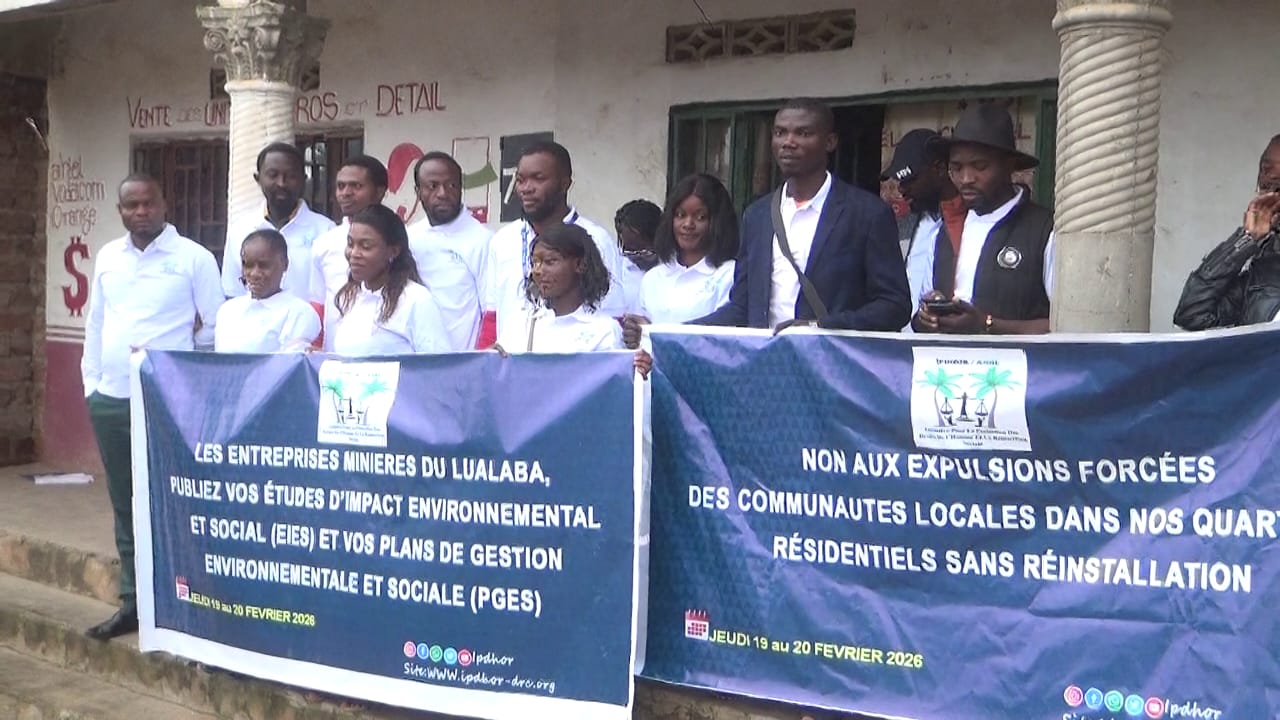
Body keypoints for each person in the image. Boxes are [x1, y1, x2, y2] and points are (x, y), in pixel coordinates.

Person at [81, 174, 224, 640]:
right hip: (111, 398)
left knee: (174, 501)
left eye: (148, 203)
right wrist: (91, 384)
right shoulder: (108, 256)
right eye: (131, 205)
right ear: (120, 210)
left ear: (165, 204)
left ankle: (183, 606)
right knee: (125, 503)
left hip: (167, 401)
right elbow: (96, 322)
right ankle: (134, 602)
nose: (140, 212)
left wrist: (177, 367)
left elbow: (215, 326)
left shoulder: (193, 258)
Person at [694, 98, 910, 332]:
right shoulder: (757, 216)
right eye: (780, 133)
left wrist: (819, 327)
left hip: (832, 354)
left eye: (803, 133)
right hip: (767, 354)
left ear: (830, 142)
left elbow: (894, 306)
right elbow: (742, 307)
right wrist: (675, 332)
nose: (788, 142)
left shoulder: (867, 213)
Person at [911, 103, 1055, 335]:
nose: (966, 178)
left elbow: (1066, 325)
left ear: (1009, 165)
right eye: (956, 168)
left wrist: (987, 325)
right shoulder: (942, 233)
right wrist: (926, 318)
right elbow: (921, 313)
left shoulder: (1044, 231)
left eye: (980, 166)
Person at [479, 141, 627, 347]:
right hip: (511, 359)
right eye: (520, 180)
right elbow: (492, 317)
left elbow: (614, 316)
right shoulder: (502, 240)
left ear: (565, 183)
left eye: (538, 179)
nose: (526, 189)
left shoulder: (596, 239)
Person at [494, 223, 653, 376]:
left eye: (550, 261)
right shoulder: (521, 325)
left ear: (580, 265)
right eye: (535, 262)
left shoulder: (603, 332)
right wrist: (491, 358)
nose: (538, 270)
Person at [1173, 135, 1280, 329]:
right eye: (1266, 170)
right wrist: (1246, 239)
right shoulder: (1261, 278)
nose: (1270, 178)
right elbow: (1192, 315)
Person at [622, 174, 739, 348]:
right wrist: (633, 333)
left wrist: (653, 334)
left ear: (717, 222)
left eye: (700, 217)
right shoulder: (653, 277)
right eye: (680, 215)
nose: (687, 224)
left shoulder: (730, 274)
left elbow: (720, 342)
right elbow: (641, 340)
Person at [330, 204, 450, 355]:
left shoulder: (416, 299)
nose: (354, 253)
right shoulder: (349, 296)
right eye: (350, 244)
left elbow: (437, 363)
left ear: (393, 251)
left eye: (365, 246)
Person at [222, 142, 335, 301]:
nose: (281, 183)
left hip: (309, 317)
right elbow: (233, 293)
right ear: (258, 179)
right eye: (273, 175)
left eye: (291, 176)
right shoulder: (241, 230)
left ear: (303, 180)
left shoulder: (326, 230)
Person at [880, 129, 967, 328]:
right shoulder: (902, 225)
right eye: (900, 182)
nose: (902, 189)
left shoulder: (972, 223)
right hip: (901, 339)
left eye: (910, 179)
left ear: (939, 168)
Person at [407, 151, 491, 351]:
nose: (443, 193)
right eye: (433, 186)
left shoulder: (482, 240)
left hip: (463, 360)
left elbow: (490, 311)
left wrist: (480, 360)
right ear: (418, 191)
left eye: (451, 185)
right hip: (418, 359)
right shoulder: (409, 238)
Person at [309, 155, 388, 348]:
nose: (345, 193)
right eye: (341, 186)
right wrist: (317, 348)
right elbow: (318, 304)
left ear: (379, 192)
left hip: (381, 355)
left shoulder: (398, 240)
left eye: (356, 186)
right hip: (333, 356)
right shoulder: (324, 243)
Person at [216, 229, 321, 353]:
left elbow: (291, 363)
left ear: (285, 264)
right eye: (248, 265)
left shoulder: (299, 313)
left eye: (264, 266)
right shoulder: (227, 310)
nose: (254, 274)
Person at [614, 199, 662, 315]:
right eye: (630, 251)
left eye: (645, 251)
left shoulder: (676, 268)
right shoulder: (616, 271)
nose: (637, 257)